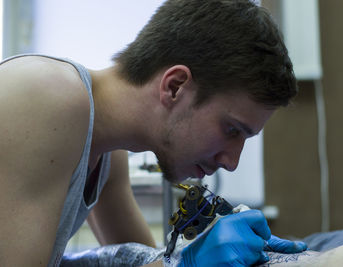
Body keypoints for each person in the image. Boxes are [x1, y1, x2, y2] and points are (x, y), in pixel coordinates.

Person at [0, 0, 307, 266]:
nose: (232, 161)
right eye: (231, 130)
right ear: (174, 86)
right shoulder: (44, 95)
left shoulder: (107, 152)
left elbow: (148, 260)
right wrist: (188, 263)